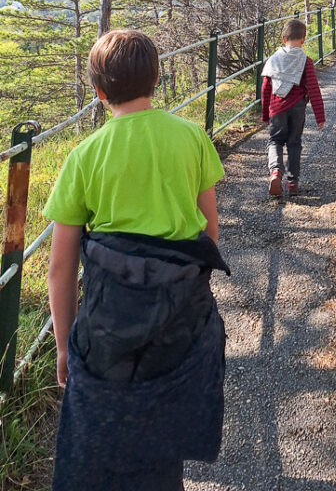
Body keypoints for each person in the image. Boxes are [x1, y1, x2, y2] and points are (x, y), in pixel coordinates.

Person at [43, 29, 229, 491]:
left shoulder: (84, 156)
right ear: (156, 80)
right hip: (182, 318)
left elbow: (60, 266)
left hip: (109, 324)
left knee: (100, 441)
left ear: (100, 93)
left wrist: (66, 346)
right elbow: (209, 229)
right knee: (161, 433)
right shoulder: (190, 137)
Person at [261, 18, 325, 197]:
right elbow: (313, 89)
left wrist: (265, 113)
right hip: (297, 108)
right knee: (294, 143)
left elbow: (265, 89)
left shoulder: (272, 60)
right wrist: (320, 116)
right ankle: (292, 183)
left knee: (275, 141)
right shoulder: (306, 61)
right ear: (303, 39)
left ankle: (275, 172)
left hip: (276, 108)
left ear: (283, 39)